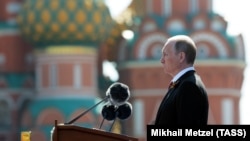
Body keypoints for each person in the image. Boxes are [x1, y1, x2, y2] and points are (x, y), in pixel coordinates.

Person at [154, 35, 209, 125]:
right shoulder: (181, 84)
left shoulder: (189, 86)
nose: (162, 60)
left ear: (181, 57)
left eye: (165, 54)